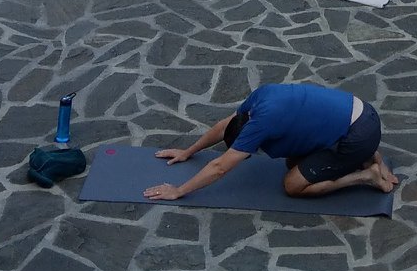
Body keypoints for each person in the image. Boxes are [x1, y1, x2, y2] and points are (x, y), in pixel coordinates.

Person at [145, 82, 395, 200]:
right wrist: (188, 151)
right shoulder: (258, 99)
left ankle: (367, 175)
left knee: (293, 184)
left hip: (358, 136)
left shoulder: (260, 127)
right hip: (363, 111)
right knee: (292, 162)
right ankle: (370, 155)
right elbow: (224, 126)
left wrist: (179, 191)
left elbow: (219, 167)